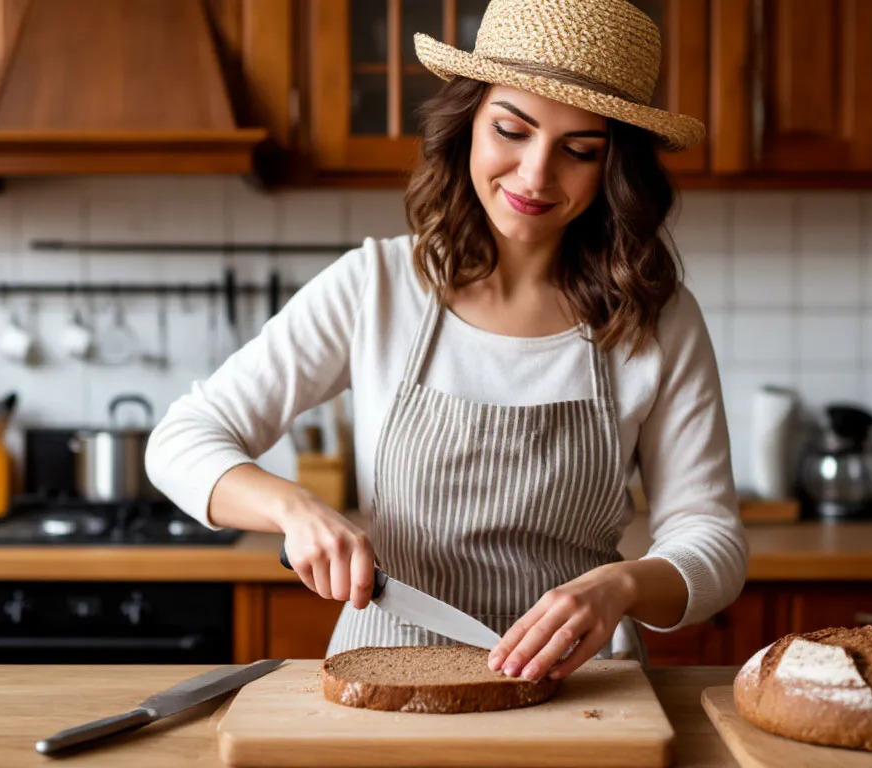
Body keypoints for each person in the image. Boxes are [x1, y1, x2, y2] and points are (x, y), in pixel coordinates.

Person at [146, 0, 746, 684]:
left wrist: (623, 585)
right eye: (511, 131)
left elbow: (713, 540)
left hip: (579, 686)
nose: (536, 175)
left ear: (617, 168)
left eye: (580, 151)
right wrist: (294, 509)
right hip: (387, 677)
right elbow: (181, 439)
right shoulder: (375, 286)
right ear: (467, 125)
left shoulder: (657, 317)